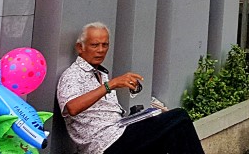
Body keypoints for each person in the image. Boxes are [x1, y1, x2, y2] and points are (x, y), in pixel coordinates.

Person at [56, 22, 206, 154]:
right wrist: (110, 85)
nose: (101, 50)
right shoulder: (72, 75)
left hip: (120, 131)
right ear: (80, 48)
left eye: (105, 45)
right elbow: (72, 108)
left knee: (172, 134)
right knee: (179, 117)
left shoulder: (100, 73)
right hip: (104, 144)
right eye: (95, 45)